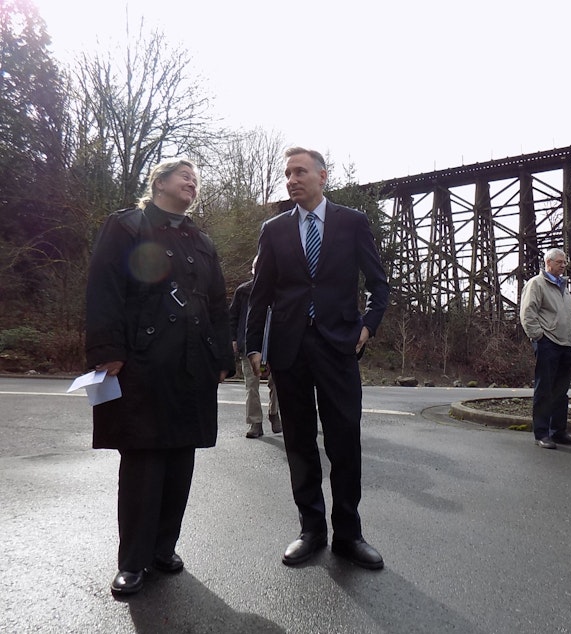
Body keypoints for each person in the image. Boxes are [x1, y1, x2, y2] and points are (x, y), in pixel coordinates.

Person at [85, 158, 235, 595]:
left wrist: (221, 356)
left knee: (180, 460)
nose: (192, 182)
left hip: (192, 365)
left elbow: (217, 301)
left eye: (196, 178)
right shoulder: (127, 226)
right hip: (143, 363)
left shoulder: (200, 239)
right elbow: (104, 288)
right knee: (143, 461)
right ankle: (132, 561)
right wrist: (107, 350)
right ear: (159, 183)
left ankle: (163, 549)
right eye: (183, 176)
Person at [246, 147, 389, 569]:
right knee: (299, 442)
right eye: (287, 173)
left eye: (300, 172)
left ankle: (348, 534)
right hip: (290, 349)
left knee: (344, 440)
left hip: (339, 345)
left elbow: (379, 285)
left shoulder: (352, 222)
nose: (292, 179)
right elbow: (261, 295)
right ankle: (311, 530)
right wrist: (254, 345)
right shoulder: (273, 230)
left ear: (322, 177)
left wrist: (368, 326)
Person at [519, 247, 571, 449]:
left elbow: (567, 316)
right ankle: (541, 434)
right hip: (548, 342)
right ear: (548, 263)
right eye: (560, 262)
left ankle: (558, 432)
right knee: (544, 389)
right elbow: (528, 312)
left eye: (565, 262)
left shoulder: (563, 287)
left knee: (561, 392)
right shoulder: (536, 284)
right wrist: (538, 337)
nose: (564, 265)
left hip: (565, 344)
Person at [229, 256, 280, 438]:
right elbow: (232, 316)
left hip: (275, 345)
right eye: (257, 267)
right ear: (252, 269)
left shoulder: (279, 290)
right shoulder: (243, 291)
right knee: (252, 385)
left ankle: (274, 414)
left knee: (277, 383)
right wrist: (234, 339)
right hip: (249, 345)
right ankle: (255, 423)